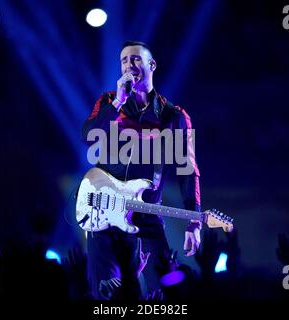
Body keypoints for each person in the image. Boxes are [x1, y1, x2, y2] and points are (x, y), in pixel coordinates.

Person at [82, 41, 202, 300]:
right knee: (107, 296)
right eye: (124, 61)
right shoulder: (107, 103)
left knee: (160, 292)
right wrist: (117, 104)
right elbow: (89, 137)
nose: (129, 65)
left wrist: (194, 221)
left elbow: (187, 170)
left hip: (146, 217)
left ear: (151, 65)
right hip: (104, 214)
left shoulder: (173, 116)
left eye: (135, 59)